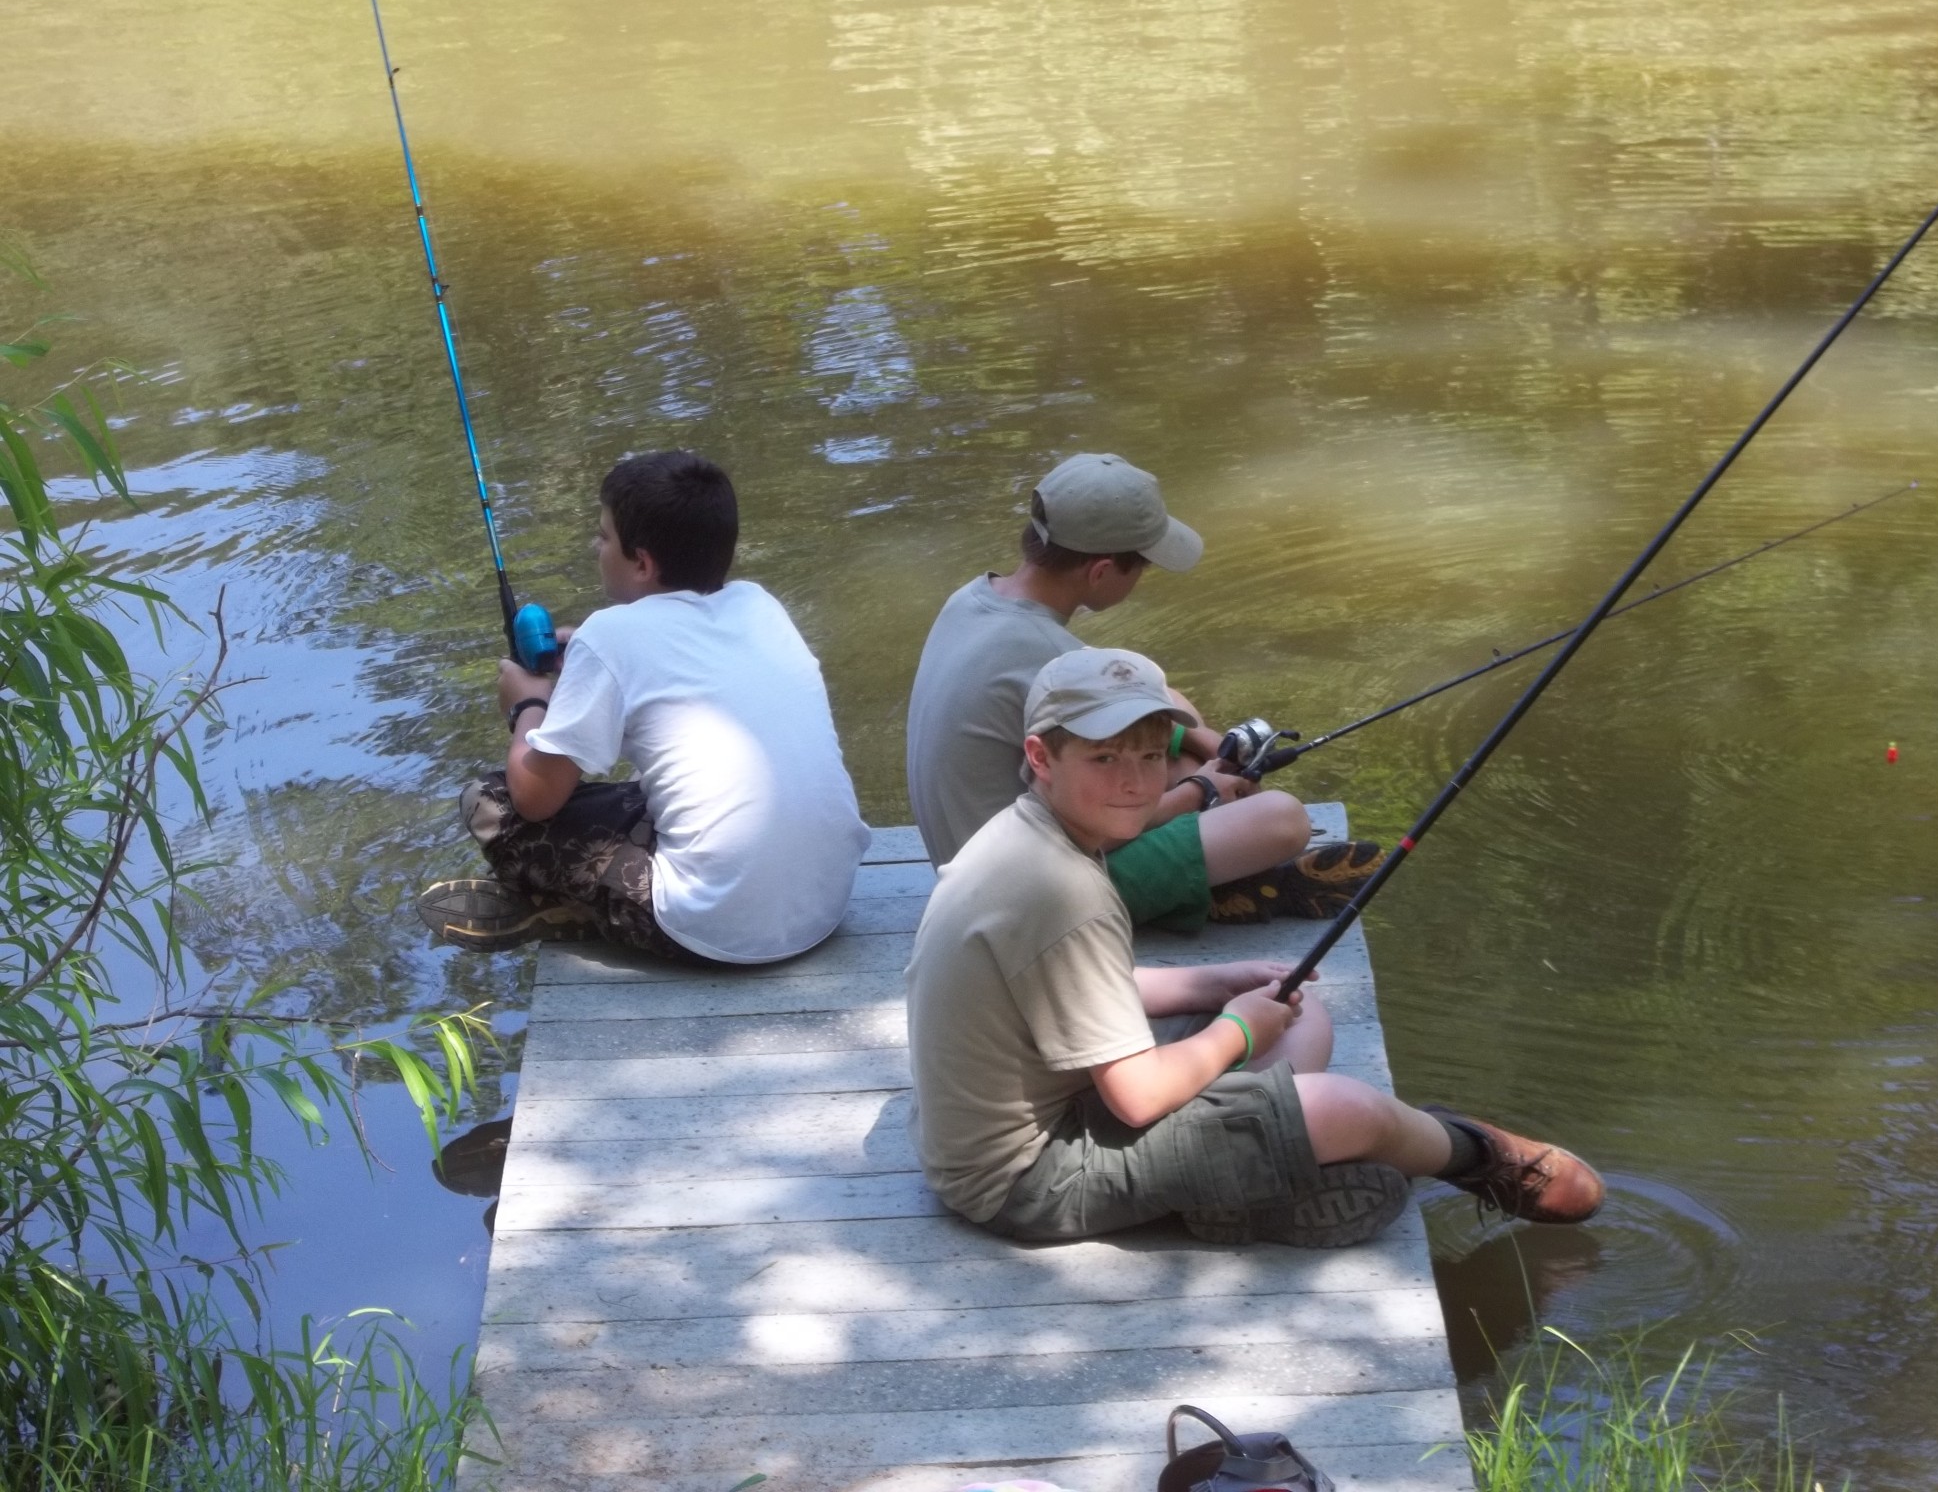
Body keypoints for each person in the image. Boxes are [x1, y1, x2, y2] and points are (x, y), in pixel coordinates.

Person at [904, 645, 1604, 1245]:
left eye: (1151, 757)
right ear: (1040, 755)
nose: (1135, 781)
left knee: (1303, 1014)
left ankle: (1246, 1168)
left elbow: (1080, 989)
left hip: (1026, 1111)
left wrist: (1220, 985)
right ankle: (1472, 1154)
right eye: (1105, 756)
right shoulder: (1065, 892)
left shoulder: (1031, 837)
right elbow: (1138, 1097)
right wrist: (1239, 1029)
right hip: (1028, 1179)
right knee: (1344, 1108)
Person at [417, 450, 870, 965]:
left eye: (604, 536)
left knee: (489, 801)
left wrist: (527, 704)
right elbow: (662, 663)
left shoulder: (610, 637)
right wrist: (583, 660)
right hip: (828, 899)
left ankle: (574, 908)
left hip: (717, 933)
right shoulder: (759, 606)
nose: (596, 546)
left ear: (642, 562)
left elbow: (535, 800)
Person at [904, 451, 1380, 932]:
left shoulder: (976, 599)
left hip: (974, 860)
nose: (1145, 577)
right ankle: (1207, 889)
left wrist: (1209, 746)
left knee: (1172, 733)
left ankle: (1206, 878)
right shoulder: (1047, 655)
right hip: (1020, 901)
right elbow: (1105, 825)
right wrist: (1200, 791)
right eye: (1143, 568)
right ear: (1101, 571)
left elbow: (1136, 701)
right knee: (1281, 819)